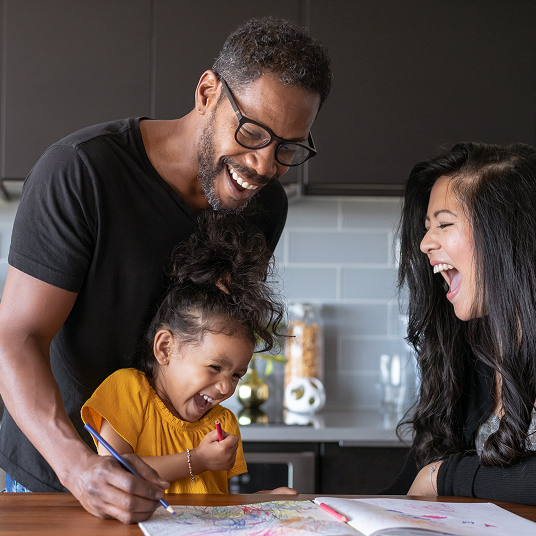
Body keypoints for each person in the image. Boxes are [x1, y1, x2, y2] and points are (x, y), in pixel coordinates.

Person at [0, 16, 332, 523]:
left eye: (289, 147)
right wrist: (79, 467)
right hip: (53, 478)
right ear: (207, 92)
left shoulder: (264, 209)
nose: (265, 165)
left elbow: (218, 337)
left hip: (175, 493)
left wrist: (252, 502)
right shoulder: (82, 171)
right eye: (253, 132)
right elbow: (15, 336)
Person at [82, 210, 287, 494]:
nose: (227, 387)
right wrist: (198, 460)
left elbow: (220, 505)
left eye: (237, 374)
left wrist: (265, 501)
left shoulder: (222, 422)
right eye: (215, 367)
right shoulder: (127, 392)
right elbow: (115, 474)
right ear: (165, 348)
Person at [382, 141, 536, 505]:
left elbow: (431, 477)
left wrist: (445, 476)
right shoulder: (468, 353)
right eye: (426, 227)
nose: (424, 244)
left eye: (444, 224)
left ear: (506, 236)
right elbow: (409, 487)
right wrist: (307, 513)